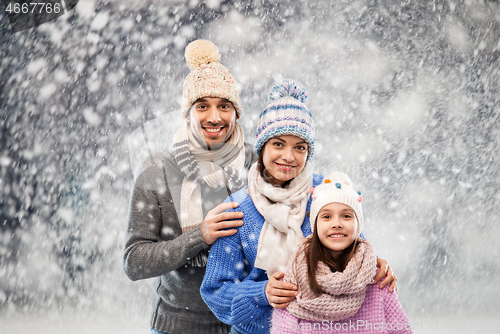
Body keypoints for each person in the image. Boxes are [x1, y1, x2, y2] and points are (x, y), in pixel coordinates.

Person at [200, 80, 396, 334]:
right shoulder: (237, 210)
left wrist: (375, 266)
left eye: (300, 147)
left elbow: (355, 251)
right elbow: (215, 290)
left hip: (323, 328)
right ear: (262, 148)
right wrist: (261, 293)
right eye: (278, 144)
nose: (289, 157)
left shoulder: (325, 193)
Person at [123, 39, 257, 334]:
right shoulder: (157, 170)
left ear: (236, 112)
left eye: (224, 105)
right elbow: (133, 261)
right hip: (178, 325)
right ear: (187, 113)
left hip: (249, 322)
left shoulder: (256, 164)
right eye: (202, 105)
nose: (214, 116)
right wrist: (200, 236)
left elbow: (304, 223)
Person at [271, 172, 413, 334]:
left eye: (346, 216)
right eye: (326, 217)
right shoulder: (293, 279)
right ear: (315, 226)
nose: (336, 223)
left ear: (358, 226)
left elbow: (401, 330)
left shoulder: (378, 278)